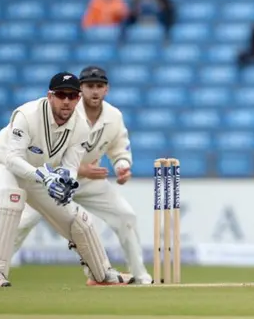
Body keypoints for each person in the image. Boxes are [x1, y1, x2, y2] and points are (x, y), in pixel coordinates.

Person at [0, 72, 132, 287]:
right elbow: (12, 159)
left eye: (72, 96)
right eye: (61, 95)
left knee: (77, 219)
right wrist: (44, 176)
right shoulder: (27, 115)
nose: (66, 101)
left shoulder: (81, 126)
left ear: (78, 99)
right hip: (1, 165)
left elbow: (70, 167)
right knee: (11, 198)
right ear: (50, 96)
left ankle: (101, 274)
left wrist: (65, 183)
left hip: (40, 176)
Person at [11, 66, 153, 285]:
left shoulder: (114, 116)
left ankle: (140, 276)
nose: (94, 91)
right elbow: (46, 154)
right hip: (52, 182)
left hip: (90, 183)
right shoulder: (66, 111)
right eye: (89, 86)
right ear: (81, 90)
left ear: (107, 89)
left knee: (126, 216)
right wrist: (80, 169)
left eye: (99, 86)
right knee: (21, 223)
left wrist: (122, 166)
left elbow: (119, 148)